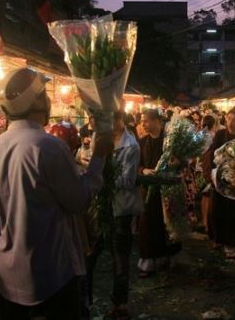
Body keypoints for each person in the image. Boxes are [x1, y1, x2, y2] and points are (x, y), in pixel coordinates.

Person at [0, 67, 113, 320]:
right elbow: (79, 201)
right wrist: (99, 158)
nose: (49, 101)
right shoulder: (48, 146)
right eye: (46, 95)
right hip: (50, 279)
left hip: (6, 279)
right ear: (37, 102)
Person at [88, 111, 143, 320]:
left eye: (113, 120)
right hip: (100, 207)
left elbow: (128, 181)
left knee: (120, 257)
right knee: (91, 254)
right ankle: (86, 299)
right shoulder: (98, 138)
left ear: (120, 121)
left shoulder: (131, 145)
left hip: (121, 209)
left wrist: (101, 177)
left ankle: (119, 305)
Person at [137, 109, 180, 277]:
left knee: (168, 223)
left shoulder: (170, 141)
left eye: (146, 121)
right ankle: (150, 261)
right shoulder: (142, 142)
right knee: (149, 224)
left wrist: (176, 163)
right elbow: (138, 165)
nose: (143, 124)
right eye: (142, 121)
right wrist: (144, 170)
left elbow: (181, 162)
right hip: (149, 190)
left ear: (157, 121)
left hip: (167, 189)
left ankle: (169, 258)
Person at [206, 107, 235, 259]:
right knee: (216, 210)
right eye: (229, 118)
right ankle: (218, 239)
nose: (231, 122)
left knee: (231, 211)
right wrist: (211, 172)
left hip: (234, 179)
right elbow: (213, 154)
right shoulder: (220, 134)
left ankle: (230, 244)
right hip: (219, 177)